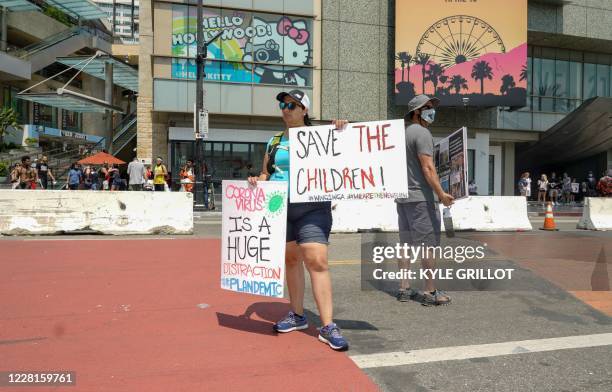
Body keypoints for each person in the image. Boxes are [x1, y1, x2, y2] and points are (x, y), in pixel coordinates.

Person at [247, 89, 349, 351]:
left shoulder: (323, 137)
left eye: (292, 105)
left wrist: (341, 132)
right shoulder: (275, 141)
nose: (286, 109)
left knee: (316, 260)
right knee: (291, 260)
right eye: (283, 104)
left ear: (305, 110)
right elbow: (265, 173)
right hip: (280, 207)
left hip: (313, 207)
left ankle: (327, 325)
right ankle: (297, 315)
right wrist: (257, 181)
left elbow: (345, 160)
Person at [395, 94, 454, 306]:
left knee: (406, 245)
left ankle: (404, 288)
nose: (432, 110)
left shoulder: (402, 134)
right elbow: (427, 167)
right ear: (417, 112)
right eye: (428, 107)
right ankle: (430, 292)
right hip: (421, 198)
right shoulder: (422, 133)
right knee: (428, 245)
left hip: (403, 198)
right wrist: (441, 193)